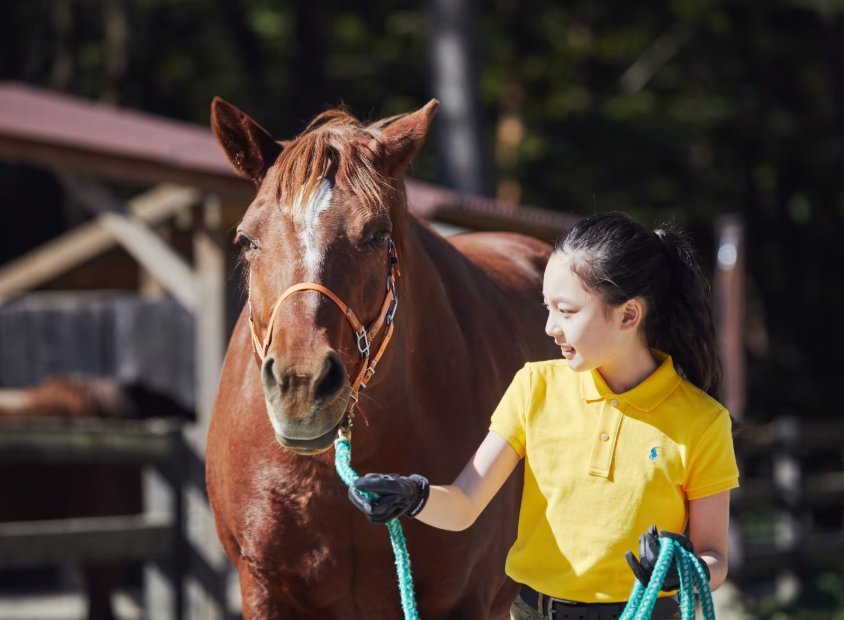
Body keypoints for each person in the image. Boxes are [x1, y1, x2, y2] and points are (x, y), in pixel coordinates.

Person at [347, 213, 740, 620]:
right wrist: (414, 496)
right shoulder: (534, 386)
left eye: (566, 311)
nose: (551, 327)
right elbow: (463, 505)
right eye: (547, 308)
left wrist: (683, 569)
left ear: (628, 316)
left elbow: (715, 557)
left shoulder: (703, 422)